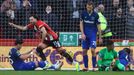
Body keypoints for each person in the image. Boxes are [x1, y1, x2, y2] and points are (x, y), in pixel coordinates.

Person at [8, 15, 80, 71]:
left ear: (36, 19)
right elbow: (23, 28)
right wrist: (13, 25)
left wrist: (41, 42)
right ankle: (46, 63)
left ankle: (75, 63)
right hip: (47, 40)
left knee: (61, 52)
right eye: (30, 20)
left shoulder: (39, 23)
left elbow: (44, 32)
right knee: (38, 49)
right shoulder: (33, 25)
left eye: (32, 19)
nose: (30, 21)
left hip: (53, 39)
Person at [80, 1, 102, 71]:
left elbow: (99, 26)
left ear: (92, 7)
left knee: (92, 50)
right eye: (88, 6)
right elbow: (81, 24)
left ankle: (94, 67)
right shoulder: (83, 14)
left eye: (90, 6)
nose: (89, 7)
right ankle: (86, 67)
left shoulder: (96, 15)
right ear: (86, 6)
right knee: (84, 51)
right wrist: (82, 33)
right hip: (85, 35)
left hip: (93, 35)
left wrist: (100, 37)